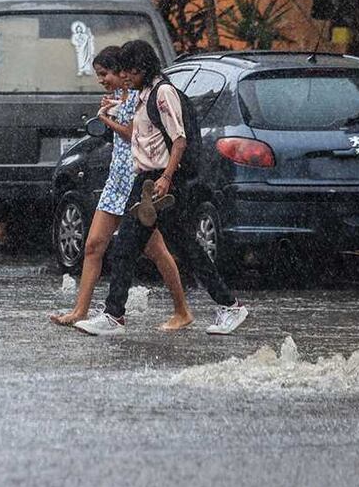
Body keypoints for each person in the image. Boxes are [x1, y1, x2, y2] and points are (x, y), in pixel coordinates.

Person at [75, 40, 249, 336]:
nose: (125, 77)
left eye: (129, 70)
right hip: (144, 182)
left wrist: (166, 178)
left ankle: (229, 305)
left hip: (161, 183)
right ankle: (114, 314)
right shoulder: (145, 95)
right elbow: (140, 126)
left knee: (179, 247)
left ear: (142, 68)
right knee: (131, 247)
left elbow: (179, 139)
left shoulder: (163, 92)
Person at [50, 46, 193, 330]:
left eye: (105, 74)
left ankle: (181, 309)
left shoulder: (140, 97)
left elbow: (134, 137)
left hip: (137, 182)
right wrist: (110, 112)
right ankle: (80, 310)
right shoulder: (118, 97)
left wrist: (107, 121)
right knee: (93, 246)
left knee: (156, 251)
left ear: (121, 72)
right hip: (115, 181)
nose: (102, 80)